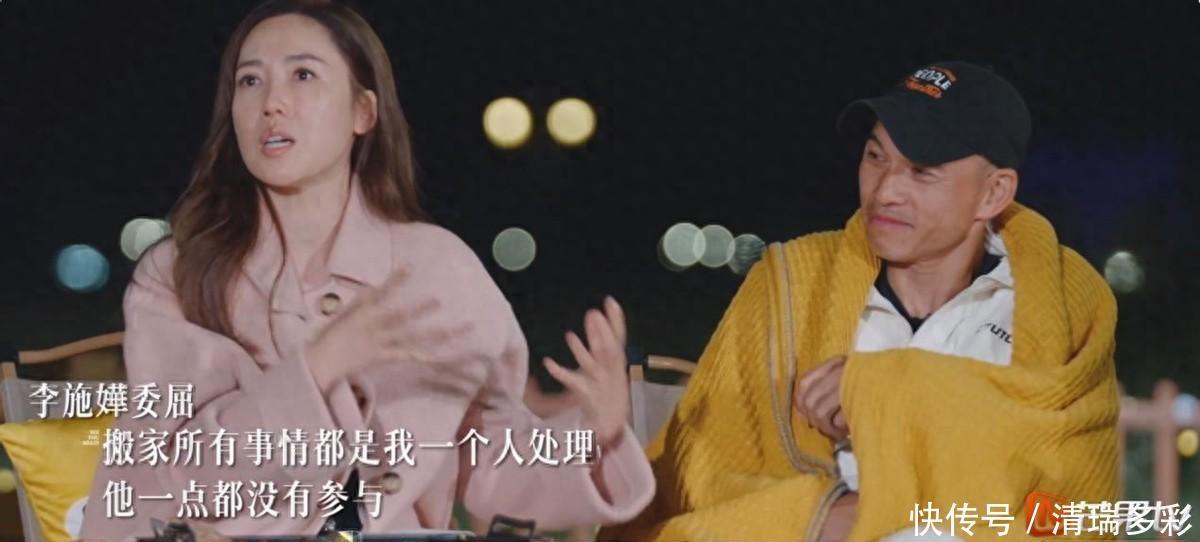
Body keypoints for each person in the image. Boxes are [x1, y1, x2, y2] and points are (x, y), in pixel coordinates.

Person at [79, 1, 653, 539]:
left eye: (303, 75)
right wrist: (317, 370)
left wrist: (595, 435)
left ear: (363, 111)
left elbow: (489, 459)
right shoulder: (179, 273)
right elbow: (173, 479)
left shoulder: (436, 269)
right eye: (249, 81)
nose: (271, 102)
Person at [601, 61, 1119, 541]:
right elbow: (700, 470)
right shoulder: (791, 284)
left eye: (922, 171)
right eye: (876, 157)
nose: (885, 190)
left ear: (993, 193)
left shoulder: (1062, 301)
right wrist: (826, 515)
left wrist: (885, 391)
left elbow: (1074, 502)